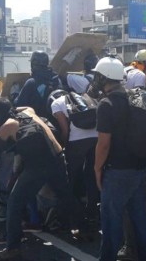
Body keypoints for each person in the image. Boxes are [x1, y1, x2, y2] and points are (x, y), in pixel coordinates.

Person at [0, 98, 78, 260]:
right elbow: (27, 104)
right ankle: (83, 228)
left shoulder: (7, 126)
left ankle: (13, 248)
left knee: (14, 203)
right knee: (65, 194)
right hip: (57, 157)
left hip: (37, 167)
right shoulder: (28, 111)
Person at [92, 56, 146, 261]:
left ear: (104, 78)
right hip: (141, 167)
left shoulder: (106, 104)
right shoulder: (135, 97)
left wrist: (97, 168)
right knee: (139, 217)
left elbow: (104, 144)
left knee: (111, 221)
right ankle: (145, 256)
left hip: (118, 171)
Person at [51, 84, 100, 233]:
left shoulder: (56, 103)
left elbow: (65, 129)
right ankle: (92, 212)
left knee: (70, 177)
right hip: (96, 138)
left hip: (76, 141)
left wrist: (63, 146)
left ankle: (70, 216)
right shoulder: (85, 97)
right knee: (92, 175)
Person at [14, 50, 61, 118]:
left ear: (33, 64)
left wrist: (15, 93)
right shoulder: (57, 79)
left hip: (38, 122)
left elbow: (18, 105)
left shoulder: (31, 82)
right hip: (56, 121)